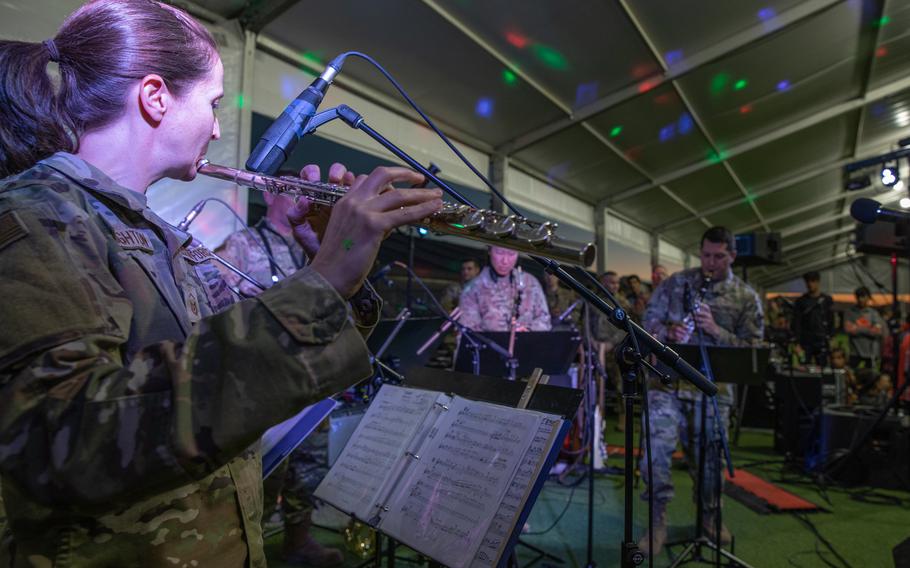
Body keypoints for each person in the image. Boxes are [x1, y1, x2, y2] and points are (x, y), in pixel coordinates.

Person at [0, 2, 443, 565]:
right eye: (211, 104)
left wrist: (328, 272)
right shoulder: (35, 215)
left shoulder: (160, 235)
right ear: (155, 97)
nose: (215, 126)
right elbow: (56, 445)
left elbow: (231, 367)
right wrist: (324, 282)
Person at [217, 186, 344, 566]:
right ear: (269, 197)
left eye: (304, 194)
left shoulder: (313, 248)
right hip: (262, 377)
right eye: (288, 192)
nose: (298, 199)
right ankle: (251, 549)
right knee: (262, 469)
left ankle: (298, 541)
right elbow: (215, 301)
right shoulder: (242, 242)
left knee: (309, 466)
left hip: (309, 374)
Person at [638, 227, 763, 556]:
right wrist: (667, 330)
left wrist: (715, 330)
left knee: (709, 461)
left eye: (718, 256)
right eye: (706, 255)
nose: (710, 263)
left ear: (732, 256)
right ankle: (656, 521)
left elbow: (753, 350)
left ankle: (709, 516)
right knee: (655, 453)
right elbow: (647, 321)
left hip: (712, 391)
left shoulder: (746, 297)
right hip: (667, 385)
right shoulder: (677, 283)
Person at [458, 245, 550, 332]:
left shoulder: (530, 282)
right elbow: (468, 330)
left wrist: (528, 330)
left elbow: (545, 321)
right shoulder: (473, 288)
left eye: (511, 254)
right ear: (490, 251)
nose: (505, 261)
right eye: (499, 252)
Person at [593, 271, 632, 431]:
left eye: (616, 283)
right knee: (595, 384)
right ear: (602, 282)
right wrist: (591, 340)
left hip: (616, 350)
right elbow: (584, 321)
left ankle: (623, 419)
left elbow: (627, 328)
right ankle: (597, 416)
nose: (614, 285)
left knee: (619, 386)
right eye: (610, 282)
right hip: (596, 348)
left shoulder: (623, 303)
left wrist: (611, 343)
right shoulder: (592, 300)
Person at [792, 271, 834, 366]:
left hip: (822, 339)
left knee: (823, 369)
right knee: (804, 367)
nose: (810, 284)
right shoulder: (800, 301)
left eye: (813, 281)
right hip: (805, 341)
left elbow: (831, 319)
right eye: (807, 281)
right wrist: (797, 342)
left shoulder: (827, 300)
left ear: (818, 282)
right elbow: (797, 322)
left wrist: (832, 337)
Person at [844, 286, 885, 370]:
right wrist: (869, 328)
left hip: (871, 353)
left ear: (868, 297)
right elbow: (849, 329)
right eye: (858, 297)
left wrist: (857, 328)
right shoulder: (850, 312)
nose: (860, 299)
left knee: (871, 376)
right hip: (855, 352)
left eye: (863, 296)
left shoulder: (873, 313)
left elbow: (878, 331)